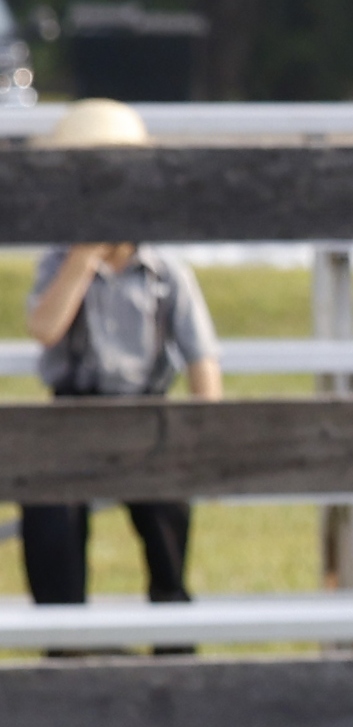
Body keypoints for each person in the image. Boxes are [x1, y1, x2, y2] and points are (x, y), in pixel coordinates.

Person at [22, 98, 221, 611]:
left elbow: (201, 353)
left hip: (144, 412)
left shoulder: (163, 272)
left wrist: (206, 427)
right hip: (73, 413)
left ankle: (170, 611)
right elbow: (45, 328)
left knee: (165, 509)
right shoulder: (59, 263)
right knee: (50, 512)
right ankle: (63, 631)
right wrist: (83, 258)